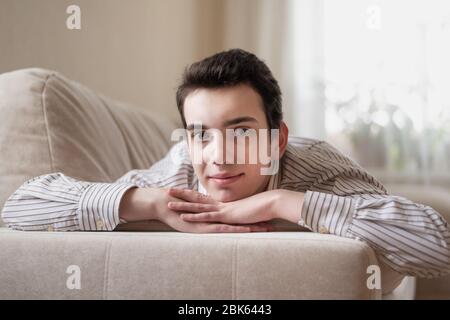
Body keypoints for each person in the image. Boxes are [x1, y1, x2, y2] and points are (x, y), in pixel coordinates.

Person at [1, 49, 449, 278]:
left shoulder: (321, 168)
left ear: (278, 140)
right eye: (200, 134)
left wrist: (281, 201)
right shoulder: (179, 171)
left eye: (240, 131)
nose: (217, 157)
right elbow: (18, 208)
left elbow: (437, 246)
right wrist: (149, 204)